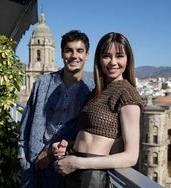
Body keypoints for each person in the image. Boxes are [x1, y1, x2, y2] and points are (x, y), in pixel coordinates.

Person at [53, 32, 143, 188]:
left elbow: (131, 157)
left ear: (128, 60)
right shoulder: (96, 92)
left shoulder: (127, 94)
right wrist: (69, 146)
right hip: (74, 169)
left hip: (90, 177)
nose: (112, 62)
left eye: (119, 56)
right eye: (106, 56)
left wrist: (79, 162)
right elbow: (93, 137)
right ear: (99, 59)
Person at [17, 30, 94, 188]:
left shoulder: (91, 90)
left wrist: (53, 153)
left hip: (63, 170)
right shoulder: (42, 83)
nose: (74, 56)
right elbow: (27, 120)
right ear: (61, 53)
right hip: (32, 166)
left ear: (86, 55)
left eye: (79, 51)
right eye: (68, 50)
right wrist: (22, 158)